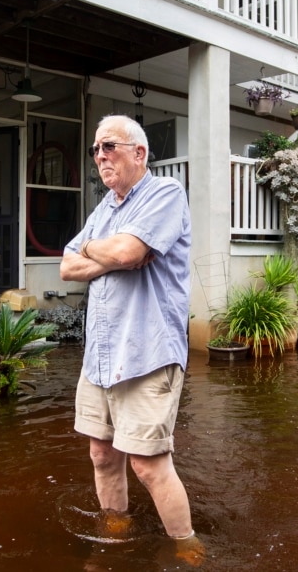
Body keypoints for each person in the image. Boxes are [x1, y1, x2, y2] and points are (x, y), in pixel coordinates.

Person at [60, 115, 204, 565]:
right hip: (101, 357)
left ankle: (188, 548)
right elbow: (66, 266)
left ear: (138, 153)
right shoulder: (104, 208)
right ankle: (116, 529)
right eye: (95, 150)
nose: (100, 156)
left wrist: (98, 249)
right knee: (102, 452)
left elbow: (127, 252)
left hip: (146, 352)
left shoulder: (164, 193)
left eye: (109, 147)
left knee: (148, 462)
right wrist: (104, 252)